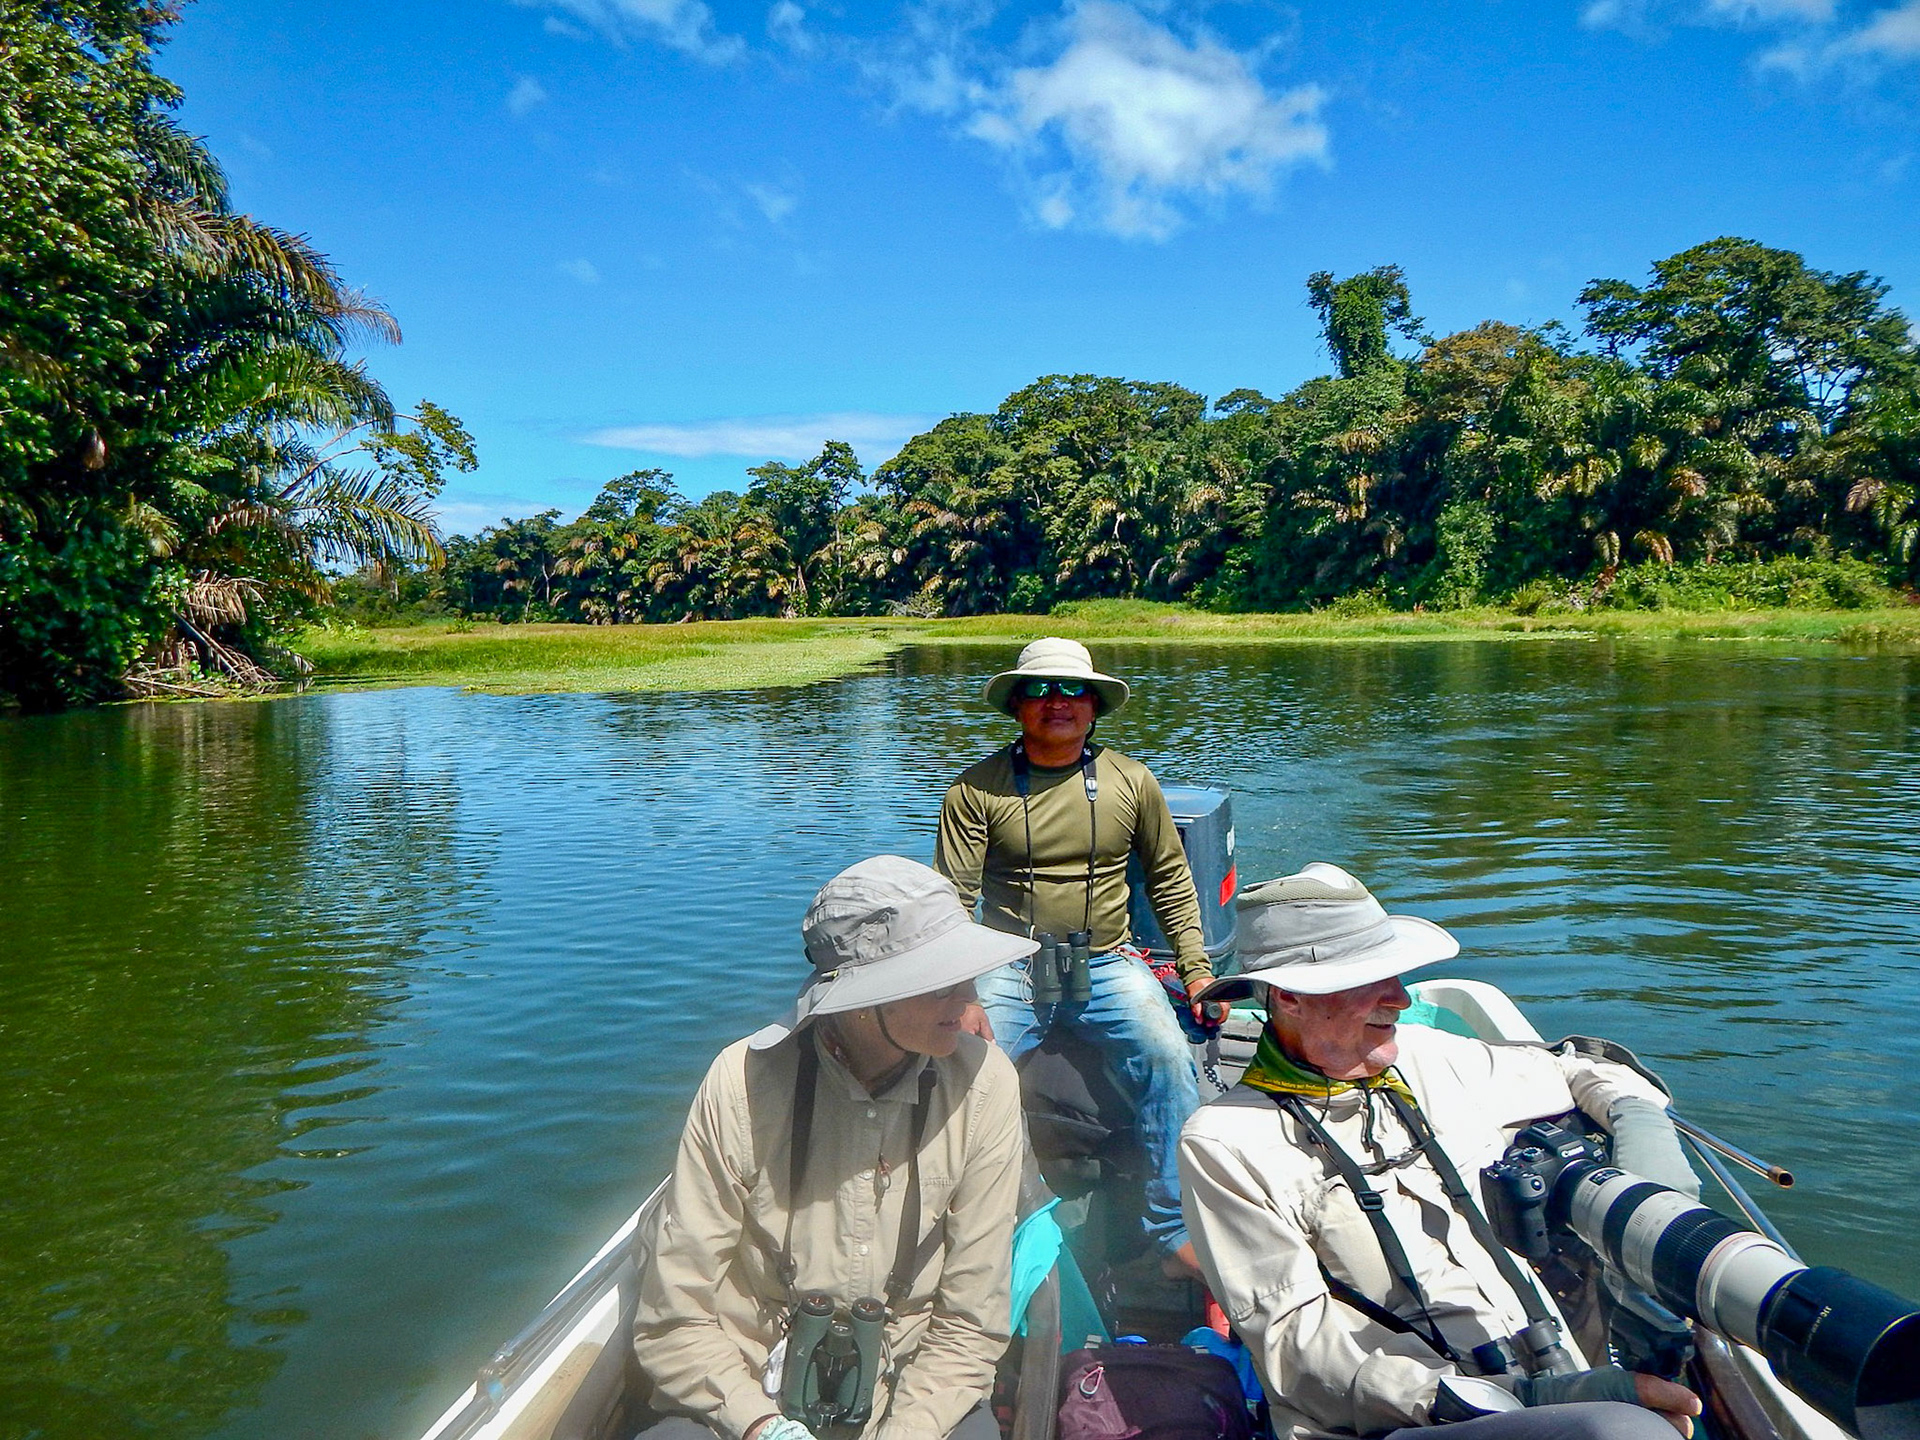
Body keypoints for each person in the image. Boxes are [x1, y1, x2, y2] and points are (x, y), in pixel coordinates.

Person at [1178, 863, 1705, 1440]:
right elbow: (1297, 1348)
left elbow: (1585, 1069)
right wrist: (1509, 1400)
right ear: (1290, 996)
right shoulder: (1224, 1143)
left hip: (1554, 1372)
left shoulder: (1429, 1058)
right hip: (1401, 1422)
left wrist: (1642, 1135)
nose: (1400, 999)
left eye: (1396, 975)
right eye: (1368, 978)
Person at [632, 856, 1031, 1440]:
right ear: (864, 1000)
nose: (972, 999)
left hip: (915, 1386)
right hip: (743, 1383)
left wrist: (905, 1431)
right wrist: (757, 1423)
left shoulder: (987, 1084)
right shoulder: (738, 1083)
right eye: (943, 982)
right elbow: (675, 1315)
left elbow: (970, 1321)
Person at [933, 636, 1214, 1275]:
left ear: (1093, 704)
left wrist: (1196, 971)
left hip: (1110, 959)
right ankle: (959, 1220)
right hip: (1008, 962)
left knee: (1169, 1057)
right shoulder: (977, 789)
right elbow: (954, 903)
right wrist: (960, 994)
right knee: (955, 1071)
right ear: (1016, 706)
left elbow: (1169, 878)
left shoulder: (1131, 781)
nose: (1055, 702)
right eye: (1037, 689)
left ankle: (1172, 1226)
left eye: (1070, 690)